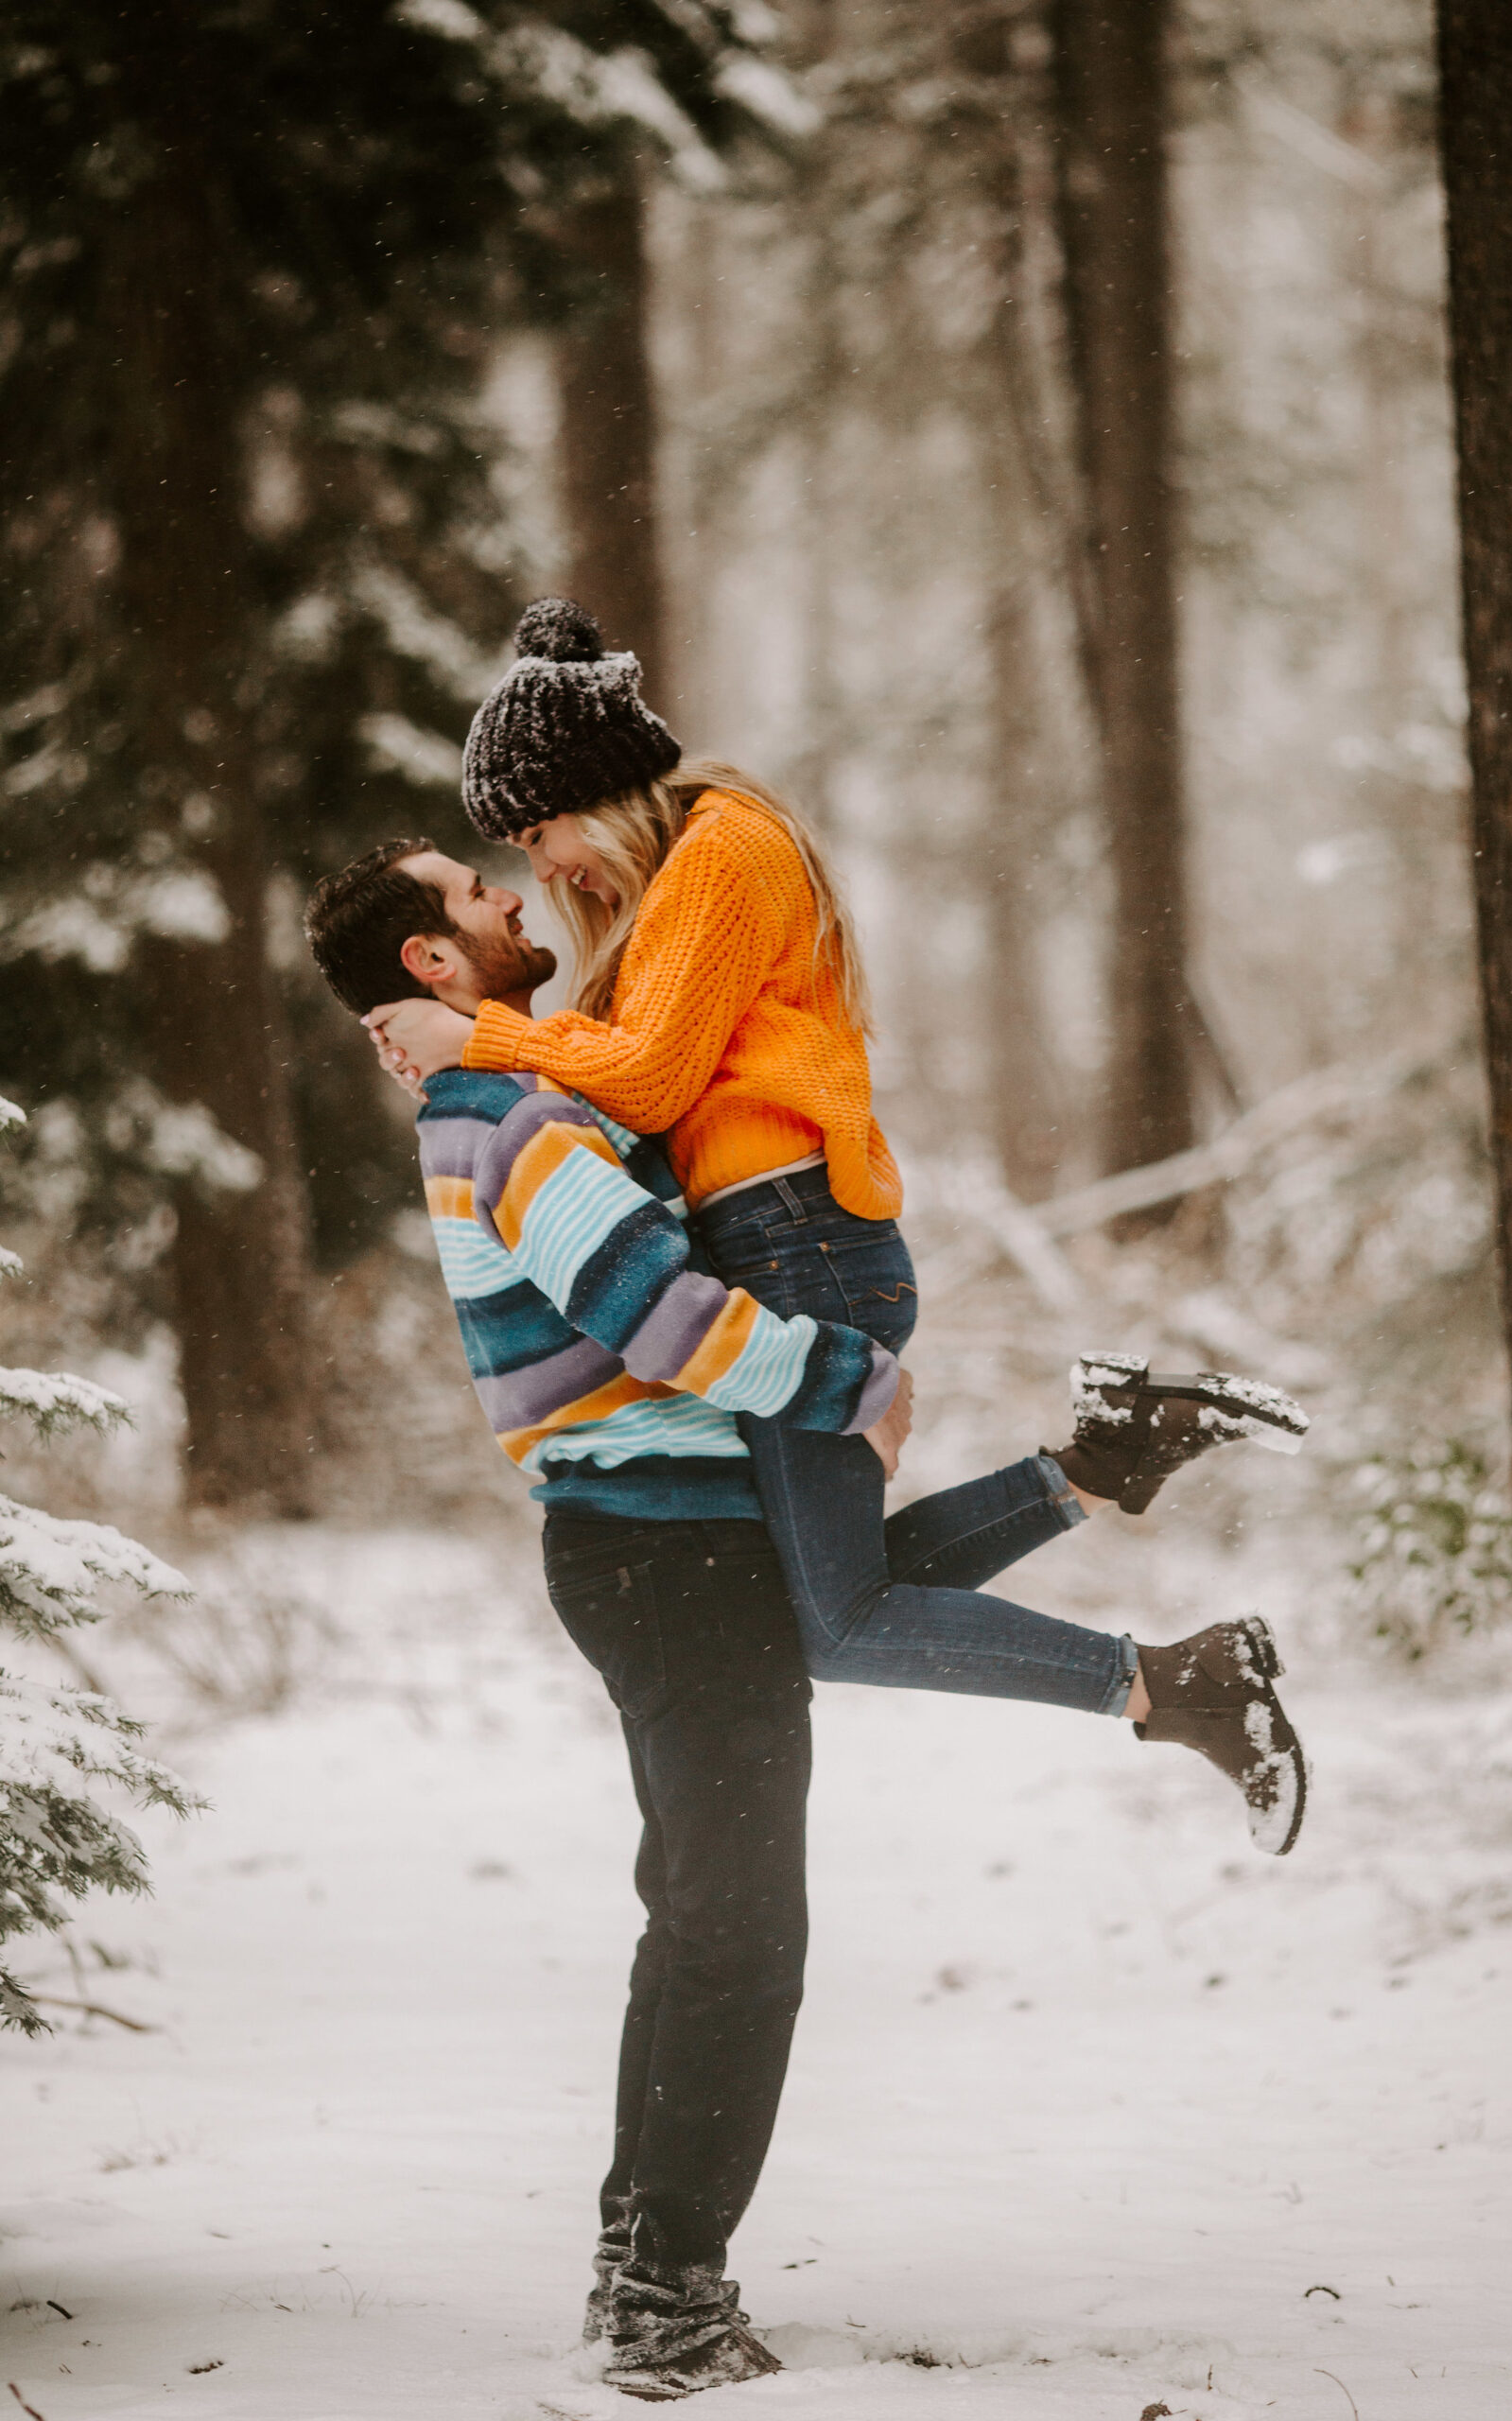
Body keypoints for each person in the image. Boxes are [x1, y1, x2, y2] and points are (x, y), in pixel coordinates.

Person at [366, 601, 1312, 1857]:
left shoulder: (718, 851)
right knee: (820, 1600)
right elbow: (633, 1081)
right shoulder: (690, 875)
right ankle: (1107, 1459)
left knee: (831, 1620)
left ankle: (1179, 1680)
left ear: (598, 794)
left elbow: (642, 1082)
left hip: (795, 1249)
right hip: (787, 1246)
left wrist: (476, 1034)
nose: (546, 872)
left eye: (540, 835)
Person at [304, 837, 904, 2401]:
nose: (511, 900)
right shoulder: (510, 1116)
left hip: (649, 1545)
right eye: (473, 896)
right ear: (434, 966)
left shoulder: (492, 1096)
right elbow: (656, 1315)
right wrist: (855, 1386)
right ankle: (666, 2306)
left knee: (701, 1917)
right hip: (663, 1549)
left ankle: (644, 2258)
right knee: (741, 1933)